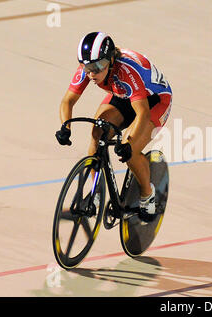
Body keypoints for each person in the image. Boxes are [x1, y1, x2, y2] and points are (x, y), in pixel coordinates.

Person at [55, 31, 172, 217]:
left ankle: (148, 196)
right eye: (87, 68)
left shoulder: (127, 71)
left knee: (130, 150)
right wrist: (65, 127)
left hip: (154, 101)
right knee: (97, 133)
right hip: (124, 93)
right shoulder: (90, 66)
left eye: (98, 67)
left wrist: (128, 144)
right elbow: (67, 101)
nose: (92, 73)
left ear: (110, 60)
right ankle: (96, 193)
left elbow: (142, 112)